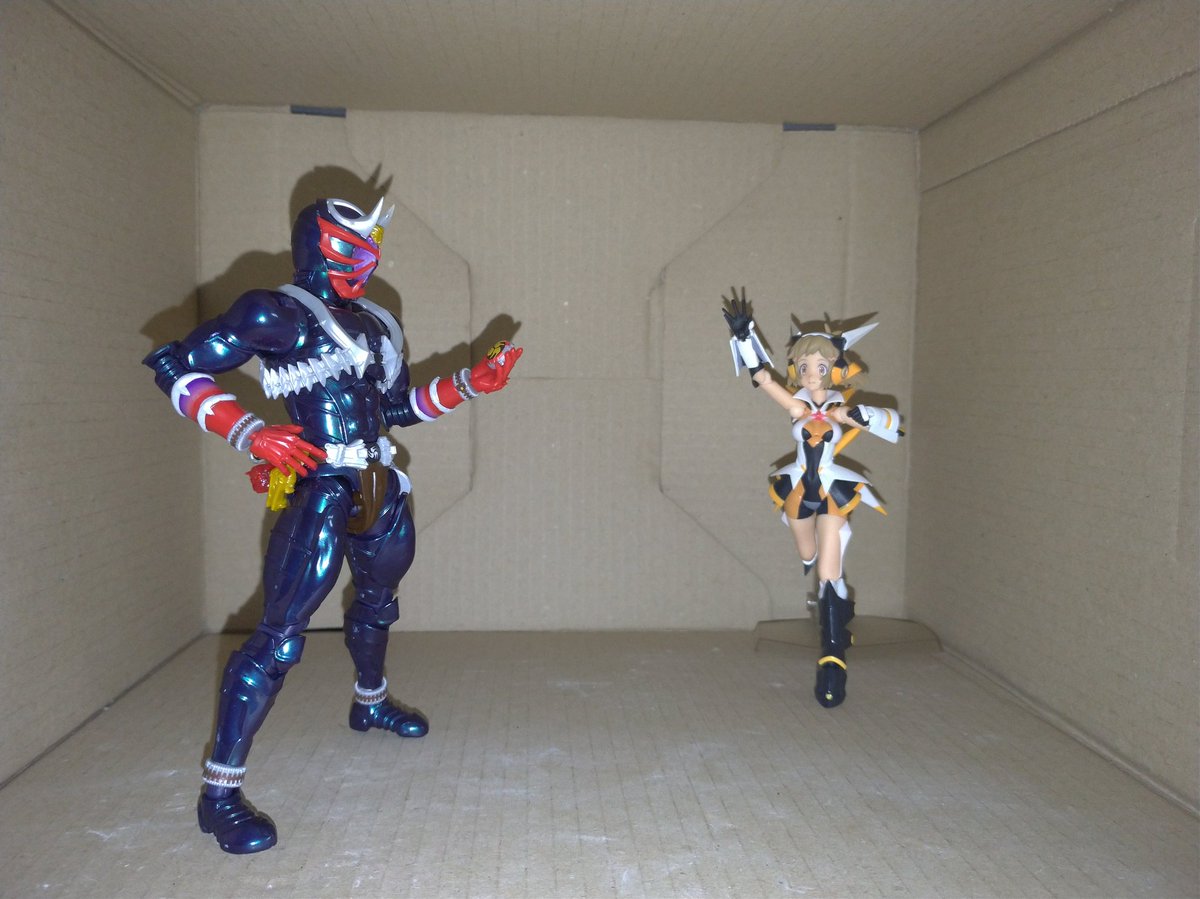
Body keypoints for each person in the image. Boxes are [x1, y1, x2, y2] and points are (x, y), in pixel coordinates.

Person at [145, 197, 521, 853]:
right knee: (279, 637)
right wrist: (250, 432)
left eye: (371, 249)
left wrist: (469, 382)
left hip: (379, 481)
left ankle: (370, 701)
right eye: (350, 247)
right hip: (320, 486)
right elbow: (172, 363)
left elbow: (396, 408)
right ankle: (218, 794)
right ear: (316, 244)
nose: (364, 264)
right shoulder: (274, 313)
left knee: (379, 601)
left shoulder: (378, 321)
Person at [723, 287, 900, 708]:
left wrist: (861, 415)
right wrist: (744, 337)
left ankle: (833, 653)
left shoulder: (842, 408)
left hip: (834, 491)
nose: (810, 373)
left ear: (835, 368)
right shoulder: (798, 407)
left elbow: (894, 424)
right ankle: (837, 606)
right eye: (803, 365)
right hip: (799, 491)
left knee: (827, 570)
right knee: (807, 554)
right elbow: (763, 378)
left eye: (819, 365)